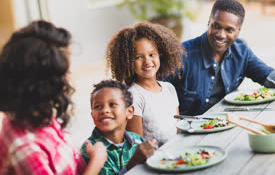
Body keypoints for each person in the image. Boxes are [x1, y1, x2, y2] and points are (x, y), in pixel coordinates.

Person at [0, 20, 107, 175]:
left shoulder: (37, 112)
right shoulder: (25, 148)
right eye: (64, 74)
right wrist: (97, 161)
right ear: (41, 85)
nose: (69, 79)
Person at [166, 0, 275, 116]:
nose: (221, 35)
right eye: (216, 26)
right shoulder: (181, 54)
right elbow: (155, 94)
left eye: (229, 30)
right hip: (187, 130)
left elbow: (270, 77)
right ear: (209, 22)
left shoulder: (241, 51)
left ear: (238, 31)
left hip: (227, 122)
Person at [105, 22, 185, 146]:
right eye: (138, 57)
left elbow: (178, 129)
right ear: (128, 62)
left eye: (152, 54)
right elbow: (138, 145)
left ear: (160, 55)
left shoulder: (169, 88)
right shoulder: (134, 95)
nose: (147, 61)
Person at [80, 79, 157, 175]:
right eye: (98, 107)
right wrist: (133, 163)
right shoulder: (91, 150)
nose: (105, 110)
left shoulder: (137, 140)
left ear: (129, 112)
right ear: (92, 115)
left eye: (112, 104)